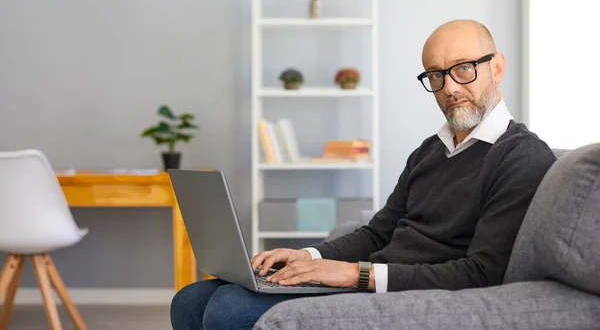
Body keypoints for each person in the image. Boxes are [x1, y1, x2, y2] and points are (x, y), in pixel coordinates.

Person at [170, 19, 556, 330]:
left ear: (497, 67)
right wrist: (306, 256)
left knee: (228, 310)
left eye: (464, 69)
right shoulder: (430, 150)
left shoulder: (521, 156)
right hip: (372, 280)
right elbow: (378, 233)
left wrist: (355, 275)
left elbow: (482, 273)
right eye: (435, 76)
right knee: (189, 299)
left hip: (401, 293)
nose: (450, 87)